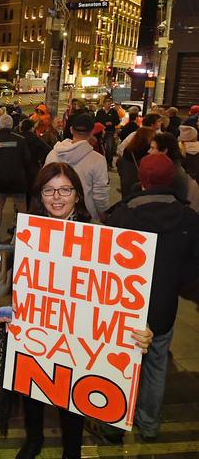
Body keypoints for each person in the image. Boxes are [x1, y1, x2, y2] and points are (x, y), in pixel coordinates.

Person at [14, 164, 153, 459]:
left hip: (77, 338)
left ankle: (72, 450)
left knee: (73, 397)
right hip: (37, 332)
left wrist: (140, 328)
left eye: (65, 189)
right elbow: (8, 283)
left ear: (78, 195)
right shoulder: (26, 236)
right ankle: (33, 440)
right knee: (31, 392)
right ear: (40, 195)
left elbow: (120, 294)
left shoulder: (100, 237)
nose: (57, 197)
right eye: (49, 190)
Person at [105, 153, 199, 442]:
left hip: (124, 309)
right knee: (157, 366)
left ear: (141, 180)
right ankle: (149, 424)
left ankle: (115, 423)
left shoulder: (120, 216)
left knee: (119, 365)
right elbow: (191, 273)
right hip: (163, 310)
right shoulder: (189, 219)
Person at [45, 114, 110, 221]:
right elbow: (100, 194)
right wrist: (103, 215)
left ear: (71, 130)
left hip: (54, 211)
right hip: (84, 215)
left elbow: (44, 184)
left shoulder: (53, 154)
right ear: (92, 132)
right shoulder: (98, 160)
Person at [0, 114, 31, 230]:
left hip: (0, 181)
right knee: (22, 209)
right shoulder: (20, 140)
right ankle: (24, 233)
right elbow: (27, 161)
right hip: (18, 181)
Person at [117, 127, 155, 200]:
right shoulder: (148, 153)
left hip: (126, 184)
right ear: (147, 138)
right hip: (140, 186)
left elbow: (120, 167)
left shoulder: (127, 150)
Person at [95, 98, 121, 169]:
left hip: (110, 131)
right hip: (101, 132)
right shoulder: (100, 112)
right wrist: (103, 124)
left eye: (109, 104)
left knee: (109, 147)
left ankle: (109, 162)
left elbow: (117, 121)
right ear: (104, 104)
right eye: (106, 104)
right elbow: (96, 121)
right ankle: (100, 163)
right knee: (100, 147)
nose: (108, 106)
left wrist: (112, 123)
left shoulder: (114, 112)